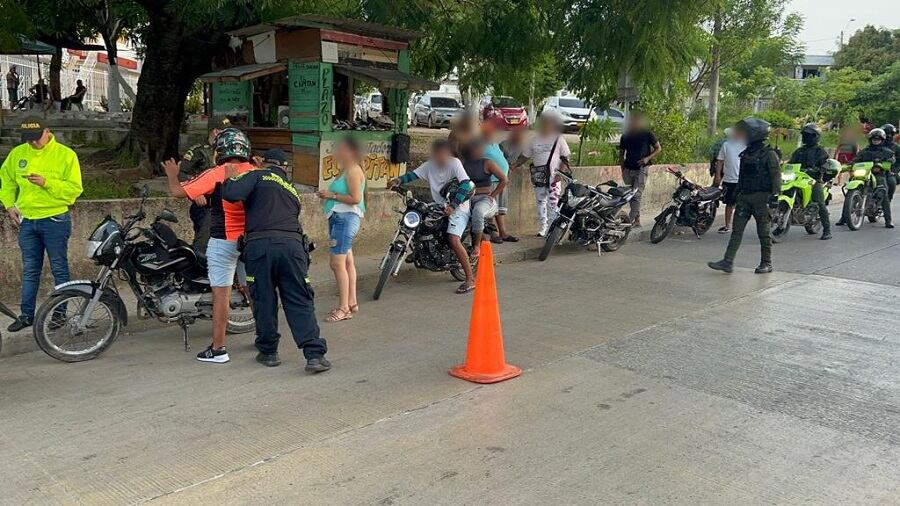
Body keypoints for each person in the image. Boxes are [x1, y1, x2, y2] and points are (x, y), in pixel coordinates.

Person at [222, 150, 331, 372]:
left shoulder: (257, 175)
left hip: (260, 247)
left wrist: (229, 176)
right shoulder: (292, 190)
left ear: (263, 163)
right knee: (299, 299)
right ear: (285, 168)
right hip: (292, 248)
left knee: (264, 299)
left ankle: (269, 352)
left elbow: (231, 193)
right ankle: (314, 356)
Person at [163, 128, 256, 363]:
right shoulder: (256, 172)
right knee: (254, 290)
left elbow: (177, 192)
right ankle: (265, 338)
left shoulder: (219, 172)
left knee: (221, 294)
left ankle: (218, 349)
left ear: (220, 150)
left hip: (224, 241)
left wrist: (173, 174)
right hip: (252, 239)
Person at [0, 116, 83, 332]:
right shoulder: (18, 153)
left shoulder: (65, 155)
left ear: (47, 132)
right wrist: (9, 205)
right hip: (27, 221)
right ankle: (27, 315)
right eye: (28, 139)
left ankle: (60, 314)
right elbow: (6, 180)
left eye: (36, 138)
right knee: (30, 270)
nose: (33, 143)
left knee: (59, 269)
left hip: (55, 219)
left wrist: (47, 183)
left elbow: (74, 190)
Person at [388, 140, 476, 294]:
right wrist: (398, 180)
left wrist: (453, 205)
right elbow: (412, 175)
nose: (440, 158)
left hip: (459, 207)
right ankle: (420, 252)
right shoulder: (429, 165)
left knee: (453, 239)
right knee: (419, 222)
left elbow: (465, 184)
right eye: (437, 155)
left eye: (443, 154)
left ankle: (469, 279)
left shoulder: (454, 163)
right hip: (439, 205)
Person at [708, 117, 780, 274]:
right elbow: (741, 177)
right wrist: (737, 194)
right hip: (745, 197)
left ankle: (766, 263)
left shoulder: (769, 155)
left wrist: (774, 198)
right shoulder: (746, 154)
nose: (743, 135)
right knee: (737, 231)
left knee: (764, 232)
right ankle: (728, 261)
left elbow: (775, 176)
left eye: (746, 132)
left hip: (761, 198)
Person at [316, 138, 366, 323]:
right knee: (347, 262)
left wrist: (331, 195)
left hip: (344, 220)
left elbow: (355, 198)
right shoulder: (347, 170)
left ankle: (344, 307)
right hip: (339, 218)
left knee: (337, 263)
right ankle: (351, 301)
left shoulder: (353, 170)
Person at [177, 116, 232, 254]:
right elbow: (181, 173)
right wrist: (195, 193)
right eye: (225, 132)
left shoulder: (229, 151)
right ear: (215, 132)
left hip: (225, 205)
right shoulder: (198, 150)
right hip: (205, 206)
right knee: (203, 244)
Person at [511, 111, 571, 237]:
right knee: (540, 202)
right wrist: (516, 164)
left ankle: (552, 229)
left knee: (553, 203)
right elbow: (525, 156)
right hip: (539, 176)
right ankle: (543, 227)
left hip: (554, 177)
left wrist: (560, 173)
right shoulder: (534, 140)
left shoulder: (558, 139)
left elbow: (566, 158)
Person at [460, 138, 508, 258]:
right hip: (466, 199)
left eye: (480, 149)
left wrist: (493, 195)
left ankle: (476, 246)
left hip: (484, 199)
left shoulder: (487, 163)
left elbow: (504, 180)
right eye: (475, 149)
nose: (478, 151)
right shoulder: (463, 163)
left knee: (478, 212)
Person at [788, 123, 832, 240]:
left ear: (815, 137)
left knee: (819, 202)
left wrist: (819, 168)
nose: (805, 137)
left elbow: (825, 163)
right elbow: (790, 163)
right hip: (797, 178)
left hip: (813, 180)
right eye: (804, 135)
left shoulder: (820, 151)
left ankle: (827, 230)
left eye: (808, 135)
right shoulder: (799, 151)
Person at [618, 112, 662, 227]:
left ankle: (629, 221)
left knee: (637, 195)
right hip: (628, 168)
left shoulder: (647, 134)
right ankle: (637, 220)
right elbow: (621, 154)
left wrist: (647, 158)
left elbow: (658, 148)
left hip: (641, 169)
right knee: (630, 195)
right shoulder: (625, 136)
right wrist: (622, 168)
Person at [846, 128, 895, 228]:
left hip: (878, 175)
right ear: (870, 140)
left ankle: (888, 220)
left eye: (878, 140)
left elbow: (892, 159)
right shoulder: (865, 151)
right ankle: (844, 217)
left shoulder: (887, 152)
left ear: (882, 140)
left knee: (883, 191)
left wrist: (890, 161)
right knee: (850, 189)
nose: (876, 141)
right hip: (864, 174)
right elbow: (857, 158)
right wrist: (852, 162)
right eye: (874, 139)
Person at [481, 122, 518, 243]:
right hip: (490, 180)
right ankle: (493, 234)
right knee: (491, 207)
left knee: (500, 209)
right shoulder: (480, 145)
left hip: (501, 180)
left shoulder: (495, 145)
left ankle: (503, 233)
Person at [714, 127, 746, 234]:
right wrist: (718, 176)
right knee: (729, 203)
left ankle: (738, 226)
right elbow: (720, 161)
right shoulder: (726, 145)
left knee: (741, 204)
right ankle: (727, 225)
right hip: (728, 179)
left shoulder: (745, 146)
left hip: (741, 180)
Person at [881, 124, 900, 201]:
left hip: (889, 171)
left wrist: (895, 171)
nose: (888, 136)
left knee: (891, 182)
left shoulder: (896, 148)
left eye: (891, 134)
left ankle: (887, 200)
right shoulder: (875, 144)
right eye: (886, 134)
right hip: (873, 170)